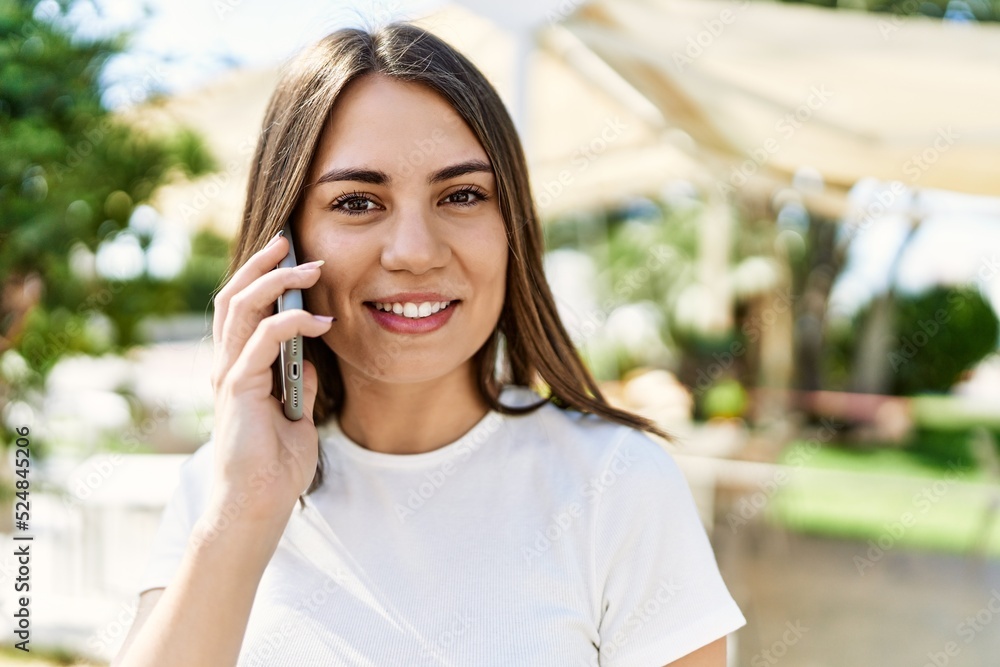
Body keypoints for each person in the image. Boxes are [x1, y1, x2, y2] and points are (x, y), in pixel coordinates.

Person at [113, 21, 745, 667]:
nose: (414, 251)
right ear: (286, 244)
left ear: (513, 231)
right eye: (358, 202)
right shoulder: (220, 484)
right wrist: (244, 512)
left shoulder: (616, 483)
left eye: (463, 195)